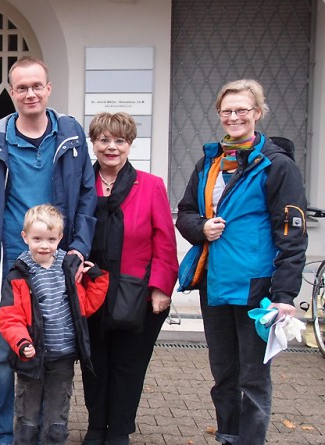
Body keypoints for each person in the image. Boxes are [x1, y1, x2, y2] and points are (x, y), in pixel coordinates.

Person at [0, 56, 97, 445]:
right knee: (2, 355)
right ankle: (3, 436)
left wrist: (79, 249)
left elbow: (86, 199)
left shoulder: (70, 137)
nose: (30, 93)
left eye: (37, 85)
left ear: (49, 88)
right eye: (21, 87)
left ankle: (41, 433)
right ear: (12, 92)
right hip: (9, 265)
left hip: (58, 266)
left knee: (55, 350)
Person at [176, 79, 307, 445]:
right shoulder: (210, 161)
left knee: (253, 379)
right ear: (219, 115)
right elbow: (184, 213)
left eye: (242, 110)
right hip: (215, 286)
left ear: (258, 114)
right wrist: (202, 227)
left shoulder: (277, 166)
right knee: (224, 377)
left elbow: (292, 234)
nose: (234, 117)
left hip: (257, 291)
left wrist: (285, 295)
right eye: (227, 111)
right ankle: (227, 437)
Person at [80, 112, 179, 445]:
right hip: (90, 289)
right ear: (93, 143)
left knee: (128, 364)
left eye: (119, 140)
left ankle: (119, 429)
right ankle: (96, 426)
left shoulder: (151, 185)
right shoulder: (80, 183)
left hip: (136, 291)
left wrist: (161, 288)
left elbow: (164, 241)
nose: (111, 147)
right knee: (94, 362)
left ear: (130, 144)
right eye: (104, 140)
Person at [0, 204, 108, 445]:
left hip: (63, 356)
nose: (44, 245)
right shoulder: (18, 274)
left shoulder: (68, 269)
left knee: (57, 418)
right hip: (31, 357)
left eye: (50, 239)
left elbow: (85, 307)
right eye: (37, 238)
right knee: (27, 416)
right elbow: (9, 317)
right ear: (25, 237)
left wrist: (98, 281)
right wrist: (21, 342)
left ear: (60, 237)